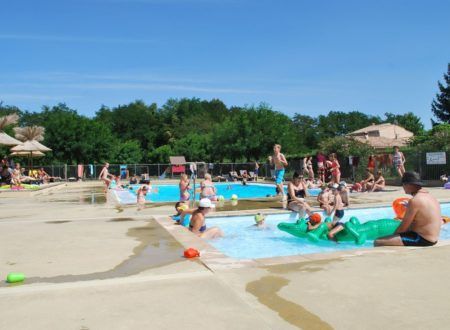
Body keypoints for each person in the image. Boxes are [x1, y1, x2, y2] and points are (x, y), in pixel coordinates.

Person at [375, 172, 442, 247]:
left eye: (403, 184)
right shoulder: (431, 197)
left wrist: (392, 237)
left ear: (409, 184)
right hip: (433, 238)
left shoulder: (415, 201)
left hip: (423, 239)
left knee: (378, 241)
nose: (403, 187)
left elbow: (403, 228)